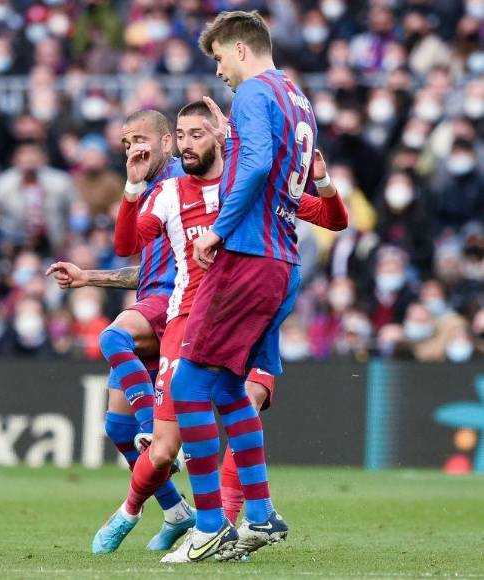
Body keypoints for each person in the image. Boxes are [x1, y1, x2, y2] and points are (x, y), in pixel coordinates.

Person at [54, 100, 346, 558]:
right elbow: (126, 244)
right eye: (182, 135)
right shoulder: (169, 194)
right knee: (167, 442)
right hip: (188, 316)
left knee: (243, 397)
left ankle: (223, 525)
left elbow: (333, 219)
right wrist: (131, 187)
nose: (187, 143)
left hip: (248, 308)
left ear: (220, 137)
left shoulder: (251, 186)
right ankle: (157, 513)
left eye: (196, 134)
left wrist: (323, 181)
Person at [163, 11, 322, 563]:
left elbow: (255, 166)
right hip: (281, 262)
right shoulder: (297, 98)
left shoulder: (255, 91)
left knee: (188, 385)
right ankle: (260, 514)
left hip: (247, 257)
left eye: (218, 58)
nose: (218, 71)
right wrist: (230, 134)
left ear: (239, 49)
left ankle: (210, 525)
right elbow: (270, 164)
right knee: (231, 389)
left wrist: (218, 230)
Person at [48, 109, 195, 553]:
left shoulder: (184, 180)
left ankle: (154, 430)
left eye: (141, 139)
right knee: (115, 426)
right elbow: (141, 270)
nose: (133, 148)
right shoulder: (145, 191)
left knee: (113, 337)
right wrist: (87, 277)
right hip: (152, 299)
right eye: (127, 142)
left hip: (177, 303)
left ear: (167, 142)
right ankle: (176, 511)